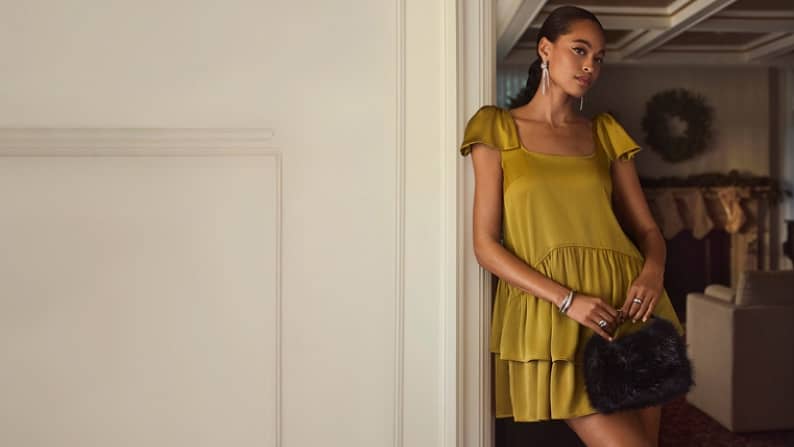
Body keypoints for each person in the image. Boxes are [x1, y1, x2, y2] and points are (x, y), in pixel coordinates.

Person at [459, 5, 685, 447]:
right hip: (558, 313)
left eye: (599, 58)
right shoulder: (496, 128)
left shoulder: (603, 133)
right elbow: (485, 245)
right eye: (579, 50)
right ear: (545, 48)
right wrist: (568, 301)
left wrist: (652, 272)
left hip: (631, 307)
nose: (589, 66)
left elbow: (649, 232)